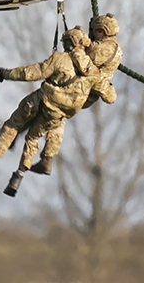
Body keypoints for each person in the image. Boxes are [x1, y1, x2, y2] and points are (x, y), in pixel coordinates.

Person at [0, 26, 98, 196]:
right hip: (55, 115)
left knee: (12, 126)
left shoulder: (60, 59)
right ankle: (17, 178)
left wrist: (4, 74)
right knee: (32, 139)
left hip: (39, 101)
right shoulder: (92, 72)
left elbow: (30, 73)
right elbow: (101, 98)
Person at [32, 13, 124, 173]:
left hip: (82, 90)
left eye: (97, 31)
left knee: (50, 109)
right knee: (51, 113)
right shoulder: (110, 46)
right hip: (84, 90)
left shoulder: (105, 48)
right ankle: (43, 156)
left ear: (105, 31)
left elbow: (84, 56)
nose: (95, 34)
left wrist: (78, 37)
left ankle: (41, 155)